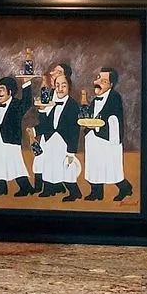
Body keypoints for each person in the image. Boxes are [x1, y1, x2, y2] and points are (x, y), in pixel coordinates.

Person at [81, 65, 131, 202]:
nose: (97, 82)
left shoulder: (115, 97)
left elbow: (114, 120)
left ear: (111, 84)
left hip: (108, 139)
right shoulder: (96, 99)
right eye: (98, 79)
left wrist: (98, 127)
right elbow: (90, 115)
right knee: (94, 166)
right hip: (93, 138)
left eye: (103, 81)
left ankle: (125, 188)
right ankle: (96, 192)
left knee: (111, 168)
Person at [35, 61, 81, 194]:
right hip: (48, 139)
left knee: (65, 167)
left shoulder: (72, 105)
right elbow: (44, 122)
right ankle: (49, 189)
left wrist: (71, 150)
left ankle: (74, 192)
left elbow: (74, 130)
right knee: (48, 164)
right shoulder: (47, 96)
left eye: (59, 73)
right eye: (57, 85)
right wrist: (42, 112)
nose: (53, 74)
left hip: (63, 140)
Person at [0, 68, 32, 197]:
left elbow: (27, 102)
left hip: (11, 140)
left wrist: (26, 83)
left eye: (2, 90)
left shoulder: (16, 105)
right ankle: (1, 188)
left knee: (15, 164)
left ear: (10, 92)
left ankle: (26, 187)